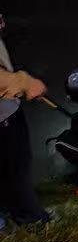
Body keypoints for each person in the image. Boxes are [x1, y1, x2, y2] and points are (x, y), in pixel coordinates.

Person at [0, 13, 50, 228]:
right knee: (15, 166)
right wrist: (23, 82)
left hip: (8, 110)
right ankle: (31, 220)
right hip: (4, 116)